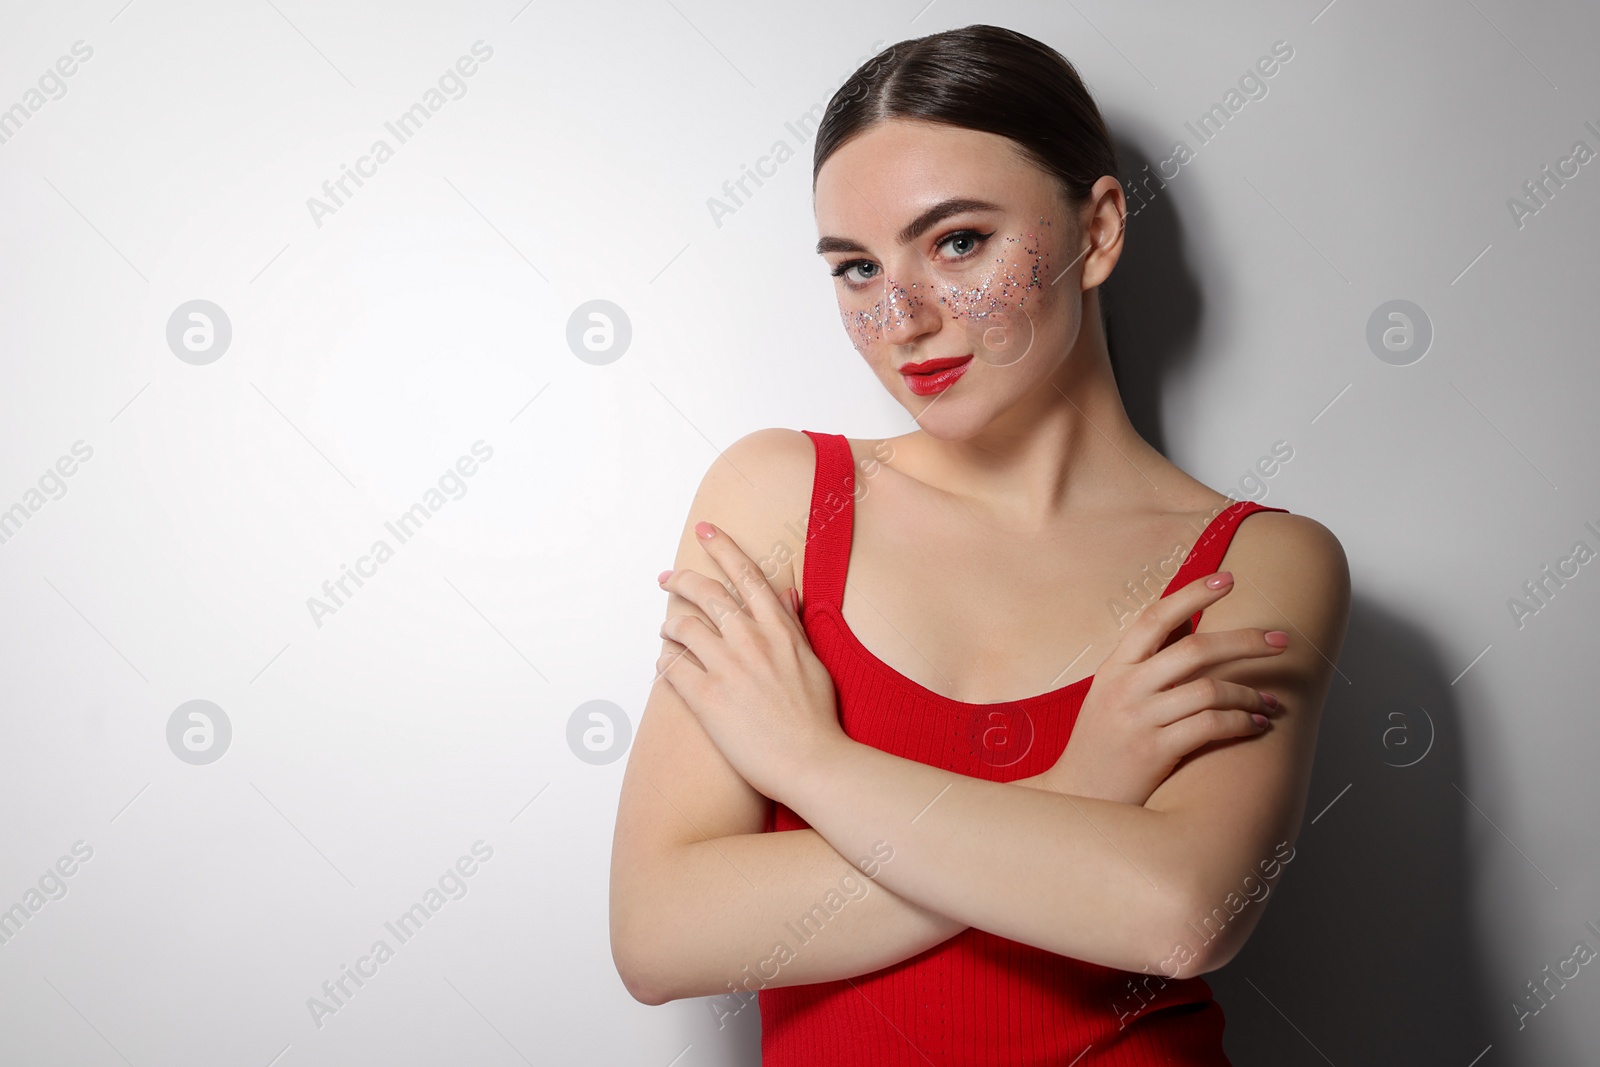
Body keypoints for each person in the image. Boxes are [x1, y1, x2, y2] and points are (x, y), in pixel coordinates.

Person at [610, 23, 1350, 1065]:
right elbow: (660, 931)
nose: (902, 316)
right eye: (857, 268)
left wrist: (804, 760)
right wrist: (1073, 794)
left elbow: (1178, 911)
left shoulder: (1256, 564)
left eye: (957, 241)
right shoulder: (781, 497)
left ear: (1096, 231)